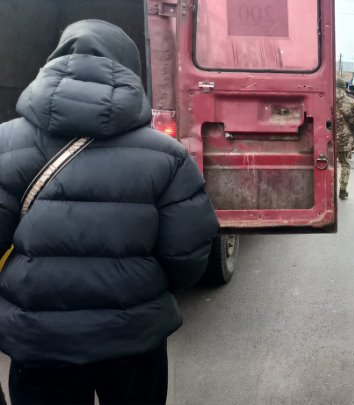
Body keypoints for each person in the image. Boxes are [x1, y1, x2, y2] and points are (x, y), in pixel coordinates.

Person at [0, 20, 219, 404]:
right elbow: (187, 255)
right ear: (129, 72)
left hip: (38, 340)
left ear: (54, 61)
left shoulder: (5, 142)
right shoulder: (167, 155)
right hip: (133, 337)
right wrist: (144, 289)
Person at [335, 78, 354, 199]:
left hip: (326, 138)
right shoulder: (350, 102)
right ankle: (342, 190)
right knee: (344, 164)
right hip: (344, 139)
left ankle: (327, 189)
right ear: (344, 88)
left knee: (326, 164)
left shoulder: (325, 99)